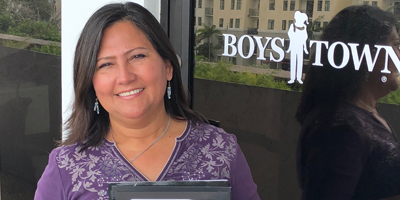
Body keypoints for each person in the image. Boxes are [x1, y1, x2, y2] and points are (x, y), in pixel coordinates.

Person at [34, 2, 259, 200]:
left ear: (168, 67)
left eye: (137, 56)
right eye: (105, 64)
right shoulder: (66, 166)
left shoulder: (220, 149)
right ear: (91, 82)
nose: (125, 77)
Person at [296, 5, 400, 200]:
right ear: (366, 53)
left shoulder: (359, 116)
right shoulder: (340, 128)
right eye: (395, 45)